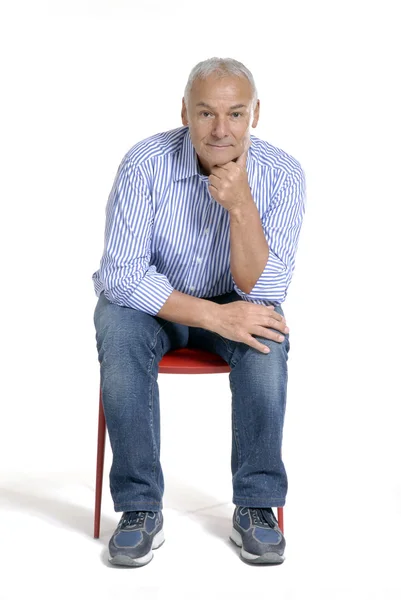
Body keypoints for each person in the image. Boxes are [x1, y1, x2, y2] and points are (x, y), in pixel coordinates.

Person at [92, 57, 306, 567]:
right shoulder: (145, 162)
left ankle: (256, 506)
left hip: (238, 297)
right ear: (184, 111)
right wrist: (213, 318)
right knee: (117, 328)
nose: (220, 129)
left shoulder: (284, 174)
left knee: (266, 337)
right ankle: (140, 509)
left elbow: (268, 287)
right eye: (206, 113)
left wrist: (242, 205)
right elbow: (121, 276)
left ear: (256, 114)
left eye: (235, 114)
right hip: (155, 306)